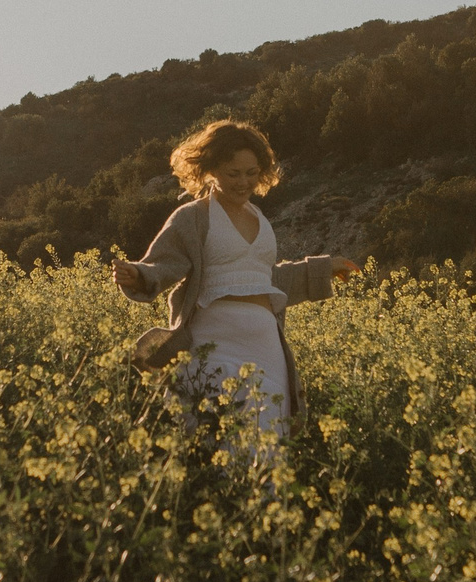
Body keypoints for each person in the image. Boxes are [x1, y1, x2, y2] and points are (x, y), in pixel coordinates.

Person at [110, 119, 358, 446]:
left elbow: (267, 280)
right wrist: (138, 274)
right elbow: (164, 263)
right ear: (211, 170)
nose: (244, 182)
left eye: (252, 173)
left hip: (266, 346)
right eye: (233, 173)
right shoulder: (193, 217)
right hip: (213, 341)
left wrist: (323, 268)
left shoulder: (261, 220)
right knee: (215, 437)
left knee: (267, 442)